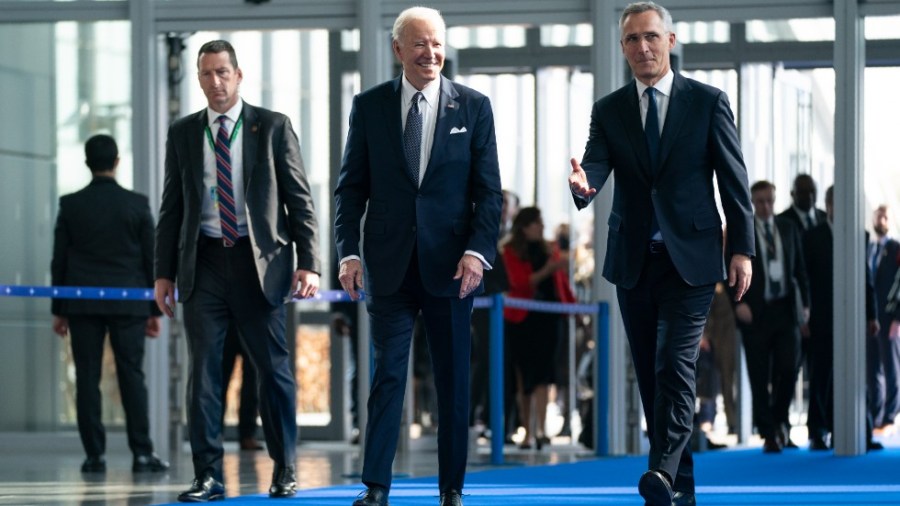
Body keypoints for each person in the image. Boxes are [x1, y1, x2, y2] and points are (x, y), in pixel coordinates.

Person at [567, 2, 754, 505]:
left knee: (675, 365)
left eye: (651, 37)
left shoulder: (708, 102)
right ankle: (679, 489)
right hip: (633, 261)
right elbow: (596, 167)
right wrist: (584, 187)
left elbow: (735, 185)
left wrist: (742, 250)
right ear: (623, 47)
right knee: (654, 376)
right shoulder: (610, 110)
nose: (642, 47)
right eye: (632, 39)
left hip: (691, 260)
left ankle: (662, 472)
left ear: (670, 41)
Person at [334, 6, 502, 506]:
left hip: (453, 268)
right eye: (419, 44)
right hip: (388, 264)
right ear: (398, 50)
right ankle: (376, 486)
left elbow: (488, 192)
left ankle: (452, 487)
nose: (430, 53)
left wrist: (477, 252)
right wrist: (348, 253)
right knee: (387, 375)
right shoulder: (369, 107)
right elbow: (350, 190)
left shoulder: (473, 107)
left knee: (452, 379)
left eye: (436, 43)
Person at [154, 39, 321, 502]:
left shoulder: (271, 126)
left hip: (258, 263)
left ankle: (285, 468)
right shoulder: (184, 132)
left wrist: (309, 262)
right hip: (203, 262)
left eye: (222, 72)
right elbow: (173, 207)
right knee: (203, 374)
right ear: (199, 77)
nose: (215, 82)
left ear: (239, 74)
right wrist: (162, 272)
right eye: (206, 74)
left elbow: (299, 200)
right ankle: (208, 475)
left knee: (274, 371)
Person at [51, 134, 169, 475]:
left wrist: (59, 309)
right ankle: (142, 454)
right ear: (117, 162)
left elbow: (58, 260)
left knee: (87, 378)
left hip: (81, 302)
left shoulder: (71, 205)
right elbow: (152, 259)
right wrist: (153, 309)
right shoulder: (137, 204)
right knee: (132, 376)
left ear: (88, 163)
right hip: (129, 302)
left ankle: (95, 456)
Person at [803, 185, 881, 451]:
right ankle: (817, 431)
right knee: (821, 375)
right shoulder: (812, 237)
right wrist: (805, 314)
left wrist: (872, 315)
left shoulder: (862, 236)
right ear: (829, 204)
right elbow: (805, 280)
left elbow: (867, 279)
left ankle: (862, 431)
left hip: (854, 317)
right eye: (839, 203)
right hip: (821, 317)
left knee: (858, 375)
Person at [734, 181, 809, 453]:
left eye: (770, 201)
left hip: (785, 310)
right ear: (753, 202)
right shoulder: (743, 230)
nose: (766, 206)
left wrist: (806, 306)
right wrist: (736, 305)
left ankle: (780, 422)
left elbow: (799, 268)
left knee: (789, 369)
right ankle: (769, 433)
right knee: (758, 375)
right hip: (755, 313)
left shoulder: (788, 228)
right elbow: (727, 270)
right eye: (761, 201)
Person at [502, 207, 575, 450]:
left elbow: (560, 284)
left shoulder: (548, 248)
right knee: (524, 374)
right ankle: (527, 430)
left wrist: (572, 307)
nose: (541, 227)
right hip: (522, 319)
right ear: (524, 226)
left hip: (549, 318)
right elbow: (520, 283)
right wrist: (549, 270)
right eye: (537, 223)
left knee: (544, 373)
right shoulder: (510, 251)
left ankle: (542, 430)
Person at [867, 205, 900, 434]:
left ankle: (891, 414)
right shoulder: (867, 248)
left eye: (885, 216)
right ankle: (876, 415)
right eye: (879, 216)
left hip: (889, 318)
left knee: (892, 367)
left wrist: (898, 318)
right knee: (873, 369)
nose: (882, 220)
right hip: (871, 318)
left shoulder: (896, 248)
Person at [221, 324, 262, 451]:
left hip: (251, 321)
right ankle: (214, 435)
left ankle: (247, 435)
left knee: (252, 384)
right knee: (218, 383)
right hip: (225, 321)